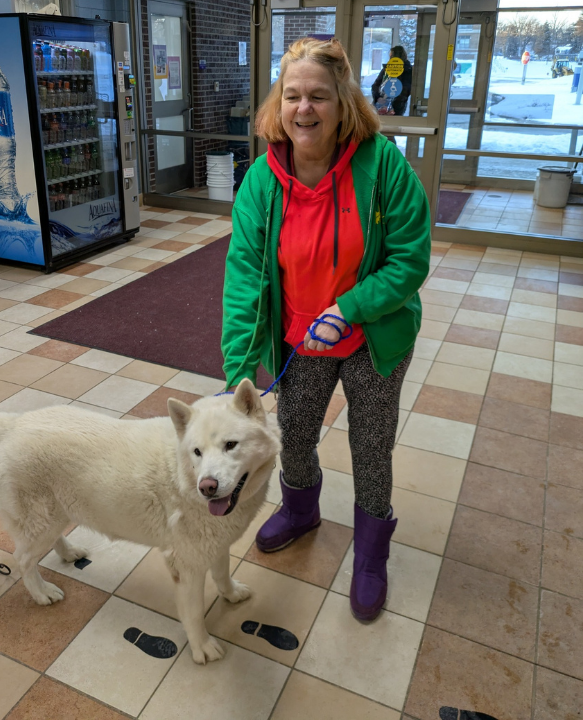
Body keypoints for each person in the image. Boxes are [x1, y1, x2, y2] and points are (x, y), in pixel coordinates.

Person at [222, 37, 430, 621]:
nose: (304, 109)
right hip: (300, 338)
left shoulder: (382, 164)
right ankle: (300, 510)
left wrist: (350, 307)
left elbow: (410, 258)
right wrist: (236, 375)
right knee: (294, 429)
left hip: (373, 337)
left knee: (371, 445)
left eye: (318, 95)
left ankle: (370, 554)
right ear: (278, 104)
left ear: (343, 103)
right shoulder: (262, 181)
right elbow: (243, 278)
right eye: (292, 96)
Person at [371, 45, 412, 116]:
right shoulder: (408, 70)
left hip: (394, 105)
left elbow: (376, 85)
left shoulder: (405, 71)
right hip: (394, 105)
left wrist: (380, 99)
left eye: (391, 56)